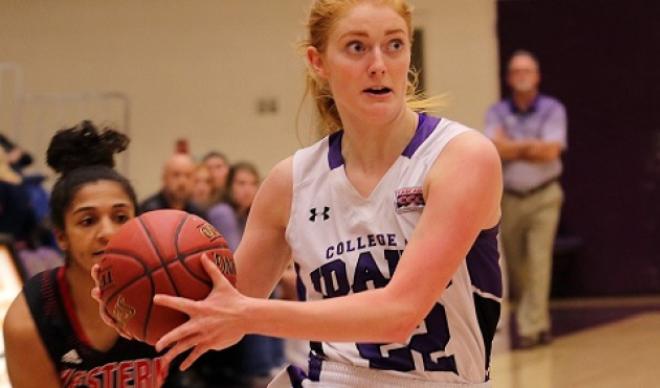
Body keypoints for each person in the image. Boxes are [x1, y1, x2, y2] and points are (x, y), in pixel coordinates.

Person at [96, 1, 503, 386]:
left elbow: (400, 312)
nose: (379, 65)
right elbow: (221, 324)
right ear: (318, 62)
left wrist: (246, 315)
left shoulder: (461, 158)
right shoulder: (290, 182)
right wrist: (138, 309)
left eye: (394, 45)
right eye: (357, 47)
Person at [2, 121, 173, 387]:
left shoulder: (169, 291)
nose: (108, 232)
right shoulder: (30, 318)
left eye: (120, 216)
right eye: (87, 220)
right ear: (61, 236)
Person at [484, 50, 567, 348]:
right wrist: (530, 145)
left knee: (538, 259)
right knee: (517, 265)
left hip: (544, 195)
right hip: (509, 197)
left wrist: (513, 145)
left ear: (537, 77)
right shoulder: (496, 112)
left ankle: (533, 327)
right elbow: (494, 149)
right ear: (508, 78)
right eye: (516, 71)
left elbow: (550, 152)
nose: (522, 76)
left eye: (527, 71)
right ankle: (533, 318)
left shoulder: (552, 109)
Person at [208, 162, 285, 386]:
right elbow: (236, 265)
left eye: (253, 183)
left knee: (274, 290)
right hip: (221, 289)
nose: (248, 189)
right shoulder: (222, 212)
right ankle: (261, 369)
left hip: (235, 290)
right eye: (241, 183)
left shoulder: (246, 215)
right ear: (229, 186)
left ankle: (274, 364)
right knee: (260, 294)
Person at [140, 153, 205, 219]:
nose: (182, 181)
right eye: (176, 175)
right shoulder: (148, 211)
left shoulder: (198, 214)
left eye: (188, 176)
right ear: (164, 178)